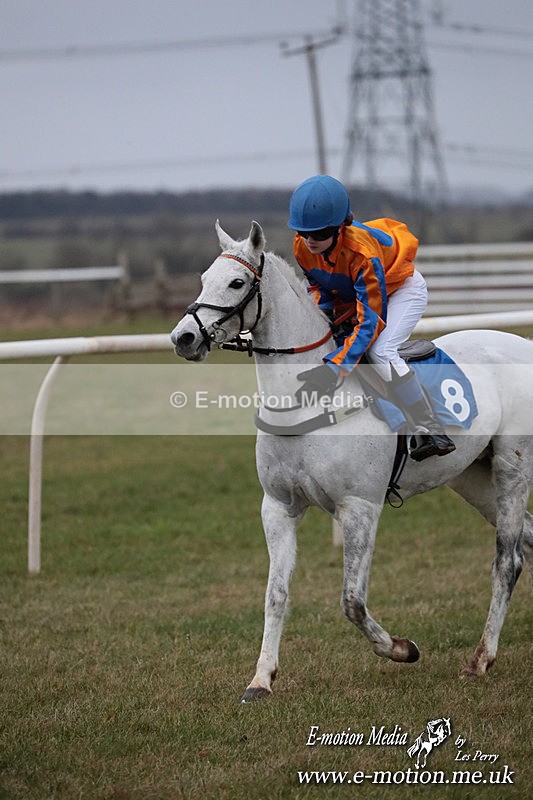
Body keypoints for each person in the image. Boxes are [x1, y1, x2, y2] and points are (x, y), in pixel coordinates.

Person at [288, 174, 455, 462]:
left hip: (400, 289)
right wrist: (324, 318)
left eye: (320, 233)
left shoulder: (362, 254)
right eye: (305, 233)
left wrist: (336, 366)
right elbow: (318, 287)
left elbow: (370, 322)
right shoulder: (301, 247)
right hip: (358, 292)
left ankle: (430, 427)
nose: (311, 241)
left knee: (381, 350)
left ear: (340, 227)